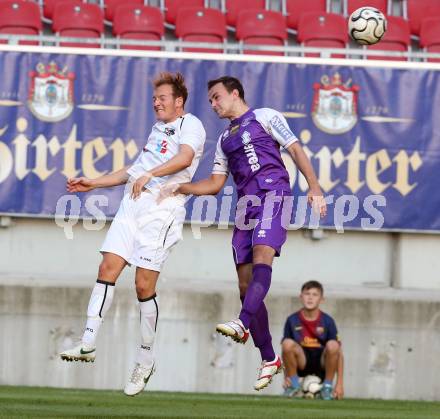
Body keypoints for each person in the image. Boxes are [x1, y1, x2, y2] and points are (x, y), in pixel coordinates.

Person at [161, 76, 326, 391]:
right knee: (244, 284)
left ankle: (242, 321)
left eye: (216, 97)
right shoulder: (224, 139)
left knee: (264, 254)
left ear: (235, 93)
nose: (213, 104)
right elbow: (215, 183)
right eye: (209, 100)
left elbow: (295, 149)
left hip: (273, 195)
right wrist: (184, 187)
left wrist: (313, 186)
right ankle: (269, 358)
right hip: (246, 208)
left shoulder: (265, 116)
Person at [59, 72, 206, 396]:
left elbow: (183, 158)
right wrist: (93, 182)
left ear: (178, 101)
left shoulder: (191, 124)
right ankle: (87, 342)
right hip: (133, 205)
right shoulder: (156, 130)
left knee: (143, 285)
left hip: (162, 209)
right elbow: (132, 172)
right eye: (154, 99)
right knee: (106, 268)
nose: (156, 103)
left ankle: (145, 359)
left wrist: (150, 174)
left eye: (162, 98)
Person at [281, 280, 344, 400]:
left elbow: (338, 353)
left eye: (315, 295)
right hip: (301, 362)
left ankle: (327, 387)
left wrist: (340, 384)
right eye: (307, 294)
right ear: (301, 297)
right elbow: (285, 352)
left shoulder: (328, 321)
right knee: (287, 343)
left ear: (321, 299)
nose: (310, 298)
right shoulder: (292, 320)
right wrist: (286, 378)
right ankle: (294, 386)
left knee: (334, 345)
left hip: (322, 364)